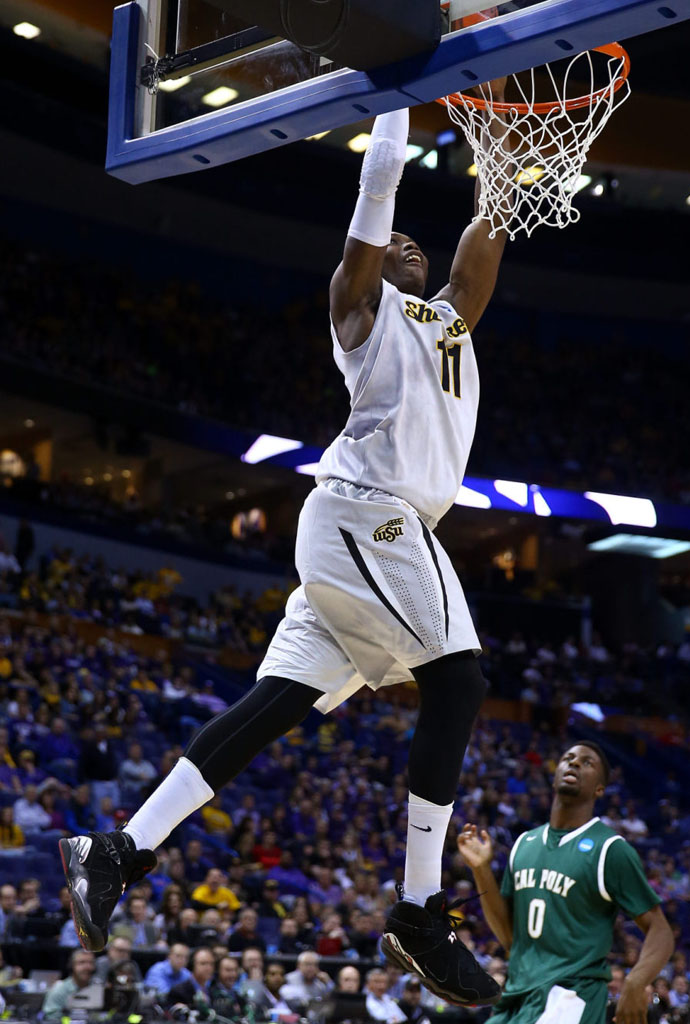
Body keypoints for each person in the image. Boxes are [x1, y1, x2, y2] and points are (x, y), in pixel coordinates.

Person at [60, 92, 511, 1006]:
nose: (410, 247)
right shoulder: (359, 310)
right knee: (459, 681)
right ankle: (420, 909)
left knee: (275, 704)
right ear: (373, 257)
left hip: (363, 540)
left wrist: (501, 157)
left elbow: (483, 237)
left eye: (422, 247)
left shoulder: (451, 323)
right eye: (397, 244)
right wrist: (395, 96)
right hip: (367, 515)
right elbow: (378, 186)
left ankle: (118, 850)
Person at [458, 742, 675, 1024]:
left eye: (587, 763)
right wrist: (482, 870)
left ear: (600, 788)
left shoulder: (610, 849)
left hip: (569, 997)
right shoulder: (525, 843)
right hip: (516, 996)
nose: (574, 763)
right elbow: (511, 938)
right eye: (568, 758)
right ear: (556, 772)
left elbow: (661, 930)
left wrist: (635, 982)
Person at [42, 950, 97, 1019]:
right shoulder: (59, 991)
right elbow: (51, 1019)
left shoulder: (98, 988)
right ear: (72, 965)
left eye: (91, 963)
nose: (87, 967)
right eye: (82, 962)